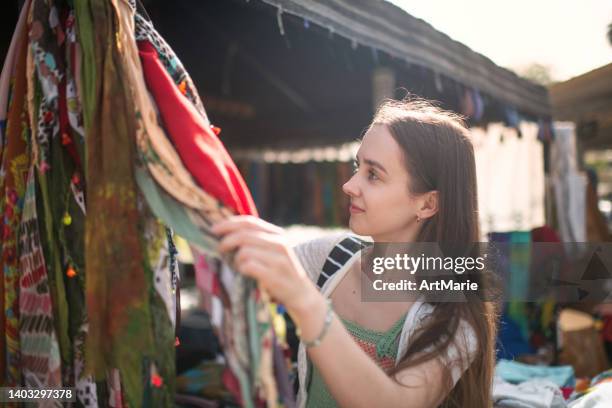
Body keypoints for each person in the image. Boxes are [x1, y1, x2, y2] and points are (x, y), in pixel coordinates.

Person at [212, 99, 498, 407]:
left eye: (373, 175)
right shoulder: (328, 258)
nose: (349, 185)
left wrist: (306, 303)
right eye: (356, 167)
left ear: (427, 204)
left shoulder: (453, 318)